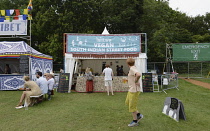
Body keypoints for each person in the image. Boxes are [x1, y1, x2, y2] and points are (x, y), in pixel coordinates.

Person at [125, 58, 143, 127]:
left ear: (127, 64)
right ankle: (138, 115)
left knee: (132, 106)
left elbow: (138, 74)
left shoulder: (132, 68)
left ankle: (135, 121)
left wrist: (135, 81)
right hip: (131, 89)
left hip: (134, 90)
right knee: (127, 102)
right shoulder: (133, 68)